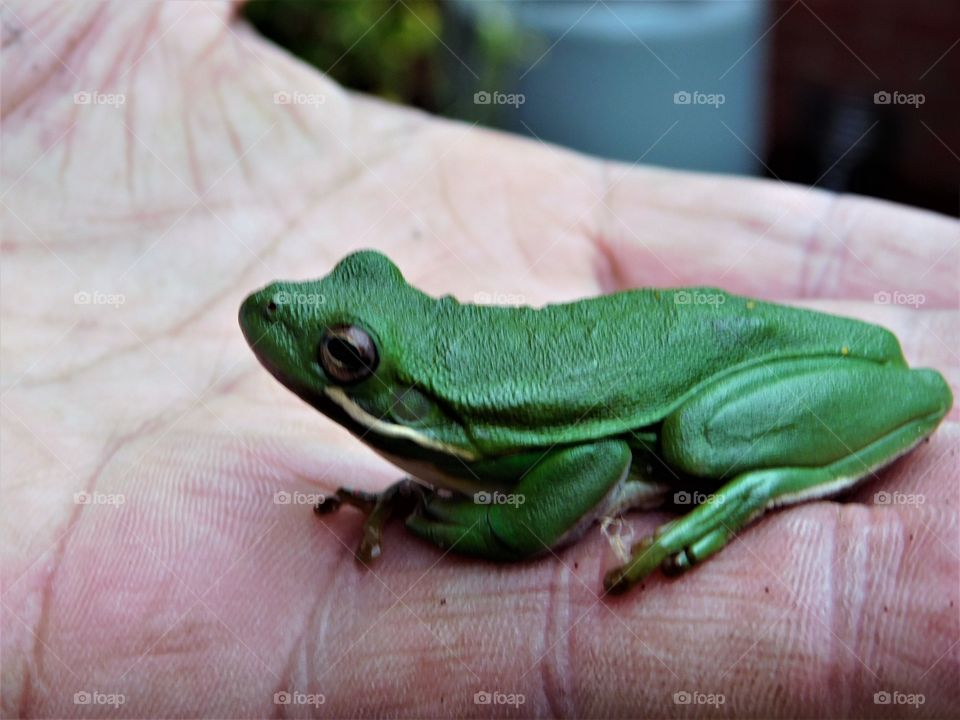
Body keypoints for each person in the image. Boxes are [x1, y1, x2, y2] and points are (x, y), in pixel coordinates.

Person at [2, 2, 956, 717]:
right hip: (690, 341)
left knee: (701, 438)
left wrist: (476, 523)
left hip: (704, 388)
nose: (293, 329)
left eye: (341, 354)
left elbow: (599, 460)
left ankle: (758, 485)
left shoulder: (473, 432)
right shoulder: (436, 411)